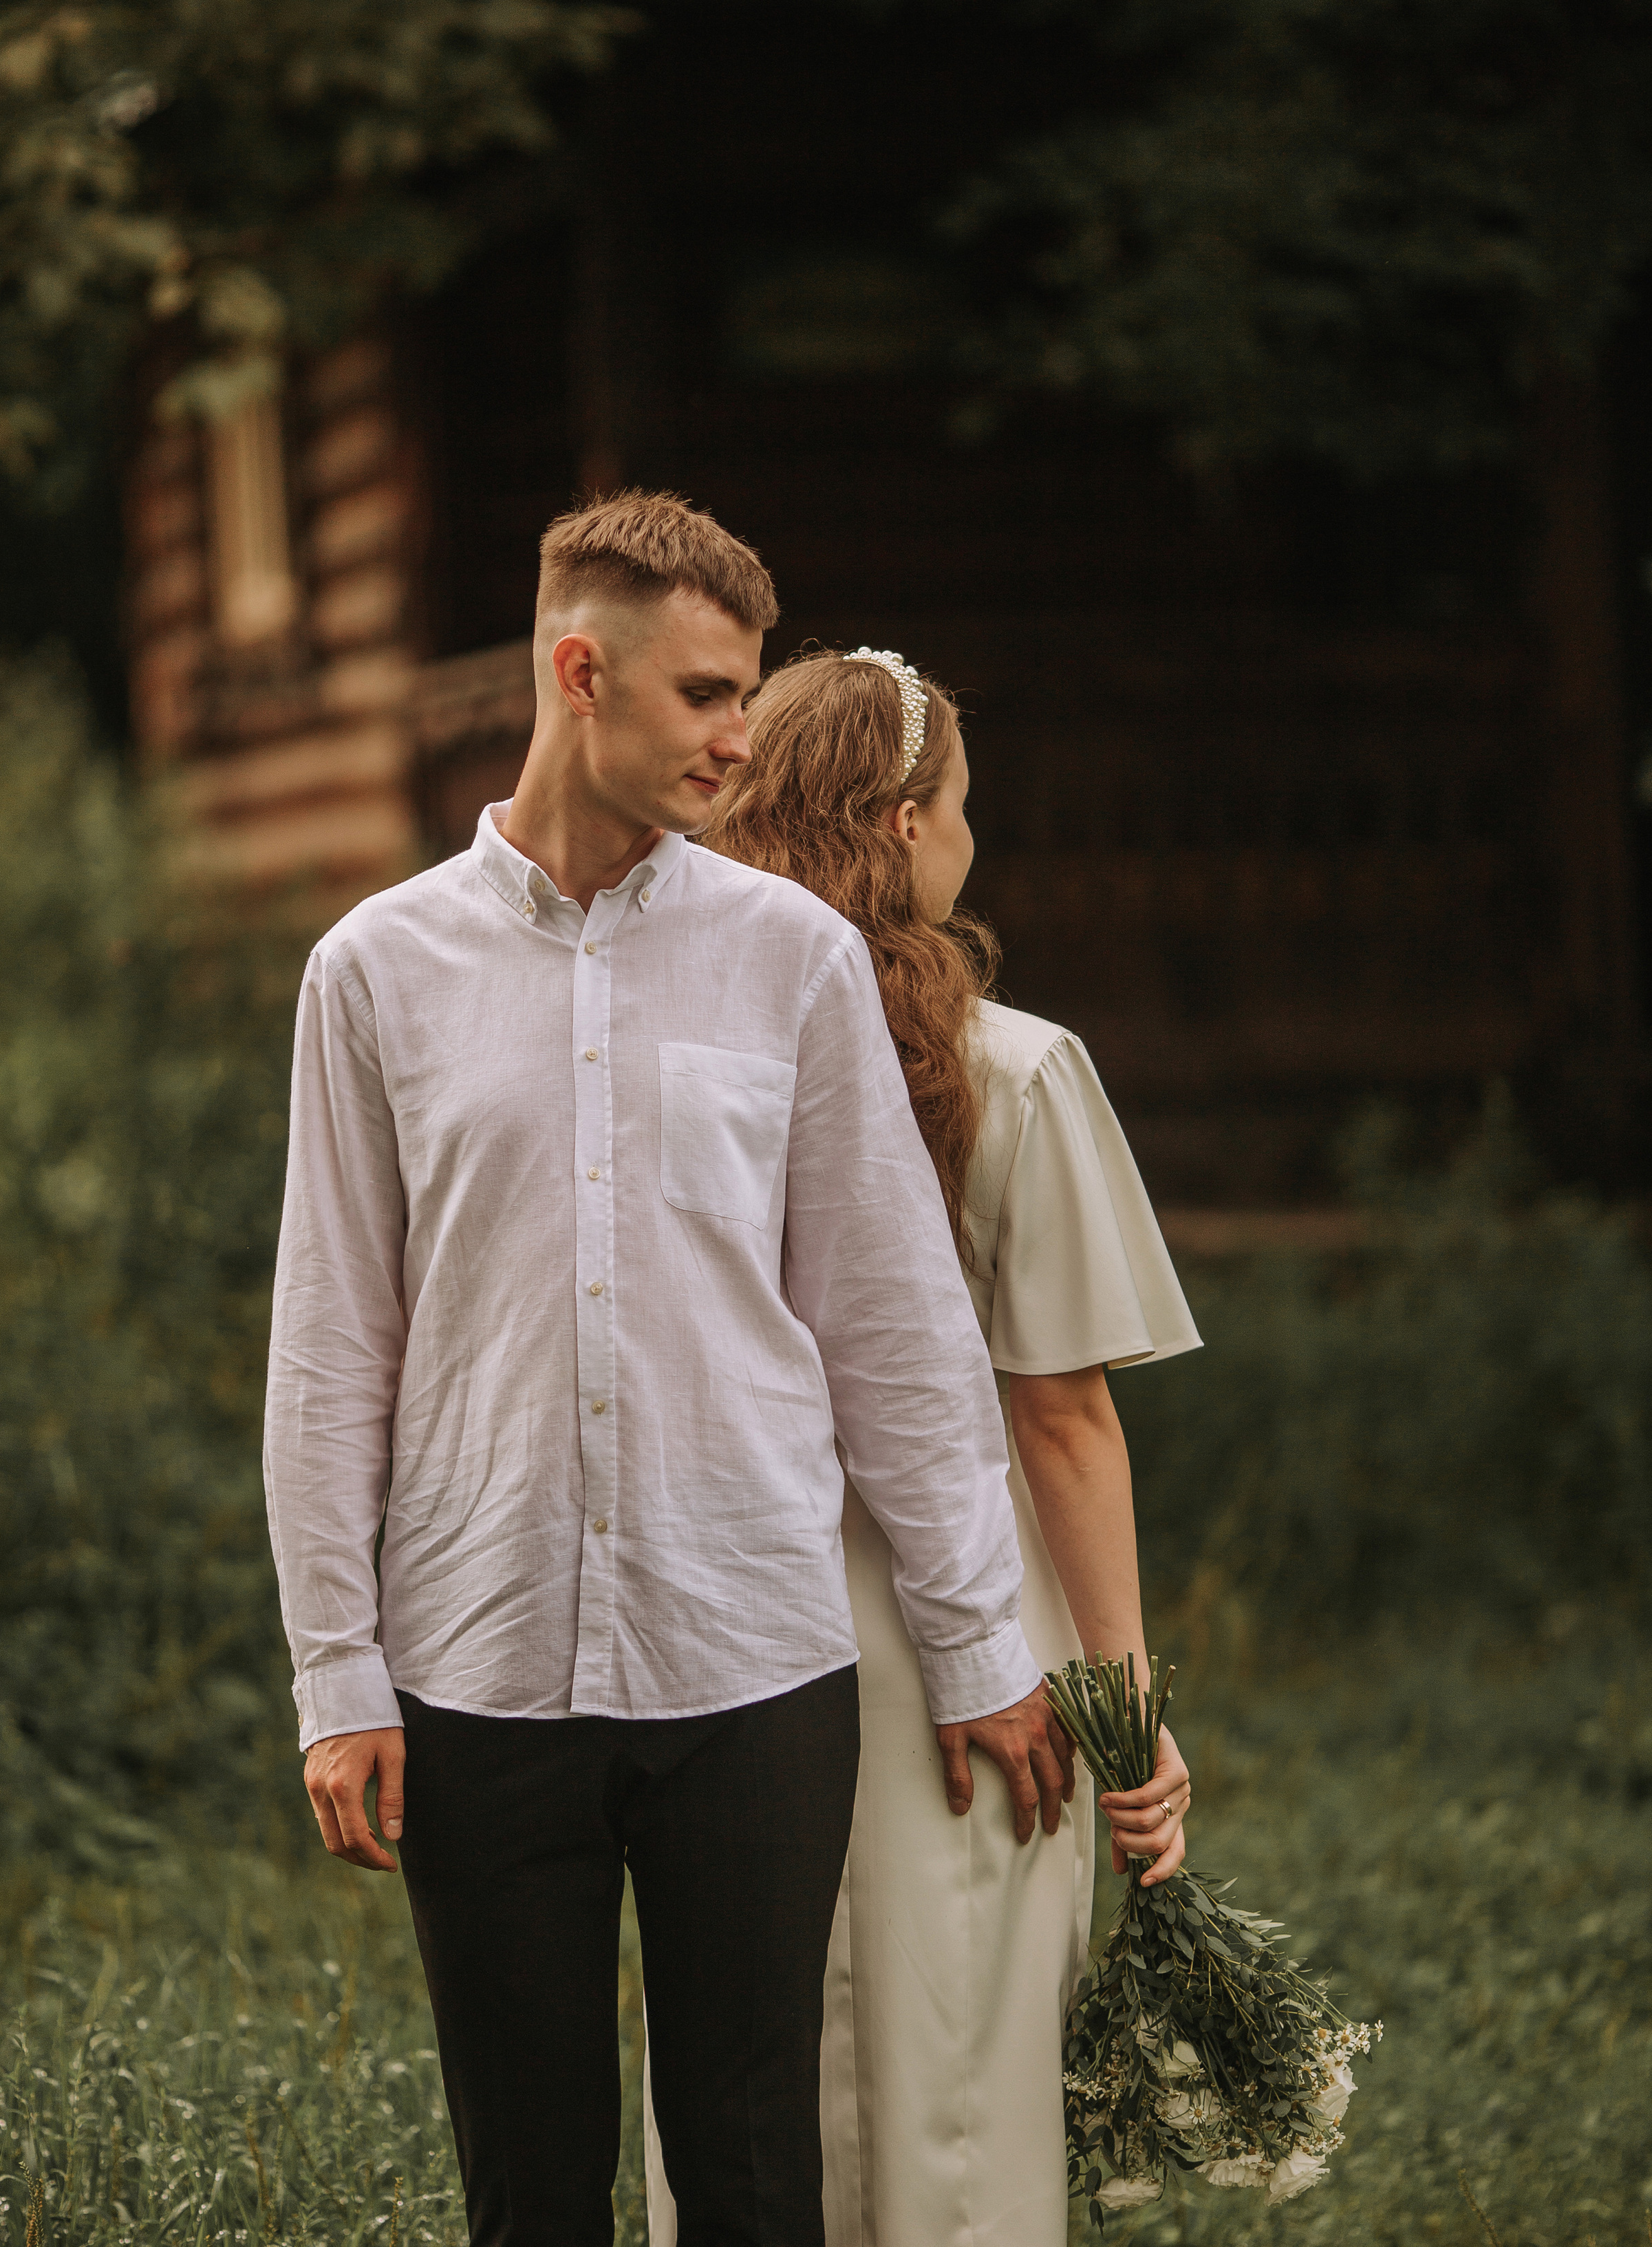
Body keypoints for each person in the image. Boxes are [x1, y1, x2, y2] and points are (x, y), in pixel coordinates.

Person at [261, 498, 1073, 2247]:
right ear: (580, 673)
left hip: (753, 1666)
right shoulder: (374, 972)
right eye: (705, 694)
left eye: (745, 694)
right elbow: (333, 1345)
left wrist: (977, 1646)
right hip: (476, 1671)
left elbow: (895, 1329)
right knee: (531, 2189)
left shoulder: (789, 964)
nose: (738, 736)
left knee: (757, 2171)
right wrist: (340, 1667)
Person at [645, 648, 1200, 2246]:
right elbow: (1061, 1416)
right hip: (964, 1644)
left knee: (747, 2067)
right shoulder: (1014, 1068)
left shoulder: (695, 1063)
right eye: (960, 806)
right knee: (957, 2085)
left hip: (727, 1630)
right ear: (901, 823)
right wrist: (1130, 1715)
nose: (972, 835)